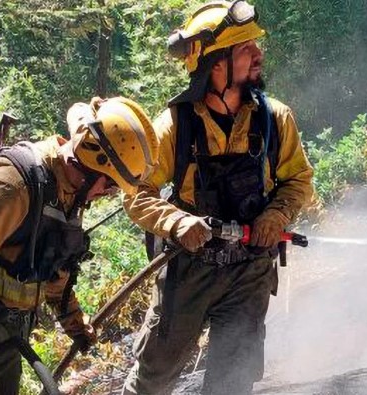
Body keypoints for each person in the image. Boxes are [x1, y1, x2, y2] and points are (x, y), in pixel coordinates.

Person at [122, 1, 314, 394]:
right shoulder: (174, 125)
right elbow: (135, 194)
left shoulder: (274, 119)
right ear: (215, 63)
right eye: (246, 49)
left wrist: (274, 217)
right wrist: (177, 222)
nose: (259, 55)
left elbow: (298, 180)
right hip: (191, 269)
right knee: (153, 379)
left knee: (233, 382)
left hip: (249, 272)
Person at [0, 97, 159, 395]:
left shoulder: (67, 192)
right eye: (109, 185)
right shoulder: (11, 188)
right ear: (88, 165)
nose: (107, 194)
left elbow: (49, 268)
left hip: (8, 333)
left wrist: (73, 322)